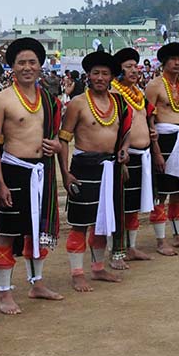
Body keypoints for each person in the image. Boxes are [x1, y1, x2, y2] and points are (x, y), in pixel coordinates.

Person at [0, 37, 64, 314]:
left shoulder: (48, 99)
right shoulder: (1, 100)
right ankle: (4, 292)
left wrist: (55, 146)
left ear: (40, 65)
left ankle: (37, 283)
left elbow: (55, 137)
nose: (27, 67)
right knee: (7, 234)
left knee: (38, 231)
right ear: (12, 66)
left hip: (40, 171)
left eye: (32, 62)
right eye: (21, 62)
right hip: (11, 171)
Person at [58, 51, 132, 290]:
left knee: (103, 220)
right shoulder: (78, 103)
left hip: (111, 168)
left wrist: (125, 150)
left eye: (105, 73)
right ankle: (77, 272)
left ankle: (98, 268)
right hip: (84, 168)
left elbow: (126, 132)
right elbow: (63, 140)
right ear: (88, 75)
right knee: (80, 222)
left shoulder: (119, 102)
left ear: (112, 77)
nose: (100, 77)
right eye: (96, 73)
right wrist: (65, 173)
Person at [145, 43, 179, 255]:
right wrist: (156, 149)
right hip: (163, 140)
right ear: (164, 62)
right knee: (161, 193)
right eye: (173, 59)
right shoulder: (154, 85)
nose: (177, 63)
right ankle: (161, 240)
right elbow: (148, 116)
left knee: (178, 191)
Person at [111, 48, 155, 261]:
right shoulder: (114, 93)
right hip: (124, 156)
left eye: (135, 66)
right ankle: (117, 248)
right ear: (118, 70)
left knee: (133, 205)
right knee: (120, 204)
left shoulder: (138, 92)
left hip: (142, 154)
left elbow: (145, 118)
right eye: (128, 67)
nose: (134, 70)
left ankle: (132, 246)